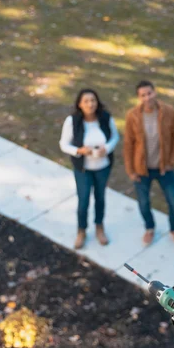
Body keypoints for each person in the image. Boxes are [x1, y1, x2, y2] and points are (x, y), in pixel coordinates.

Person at [123, 80, 174, 247]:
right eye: (142, 95)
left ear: (154, 92)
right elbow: (128, 143)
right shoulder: (133, 115)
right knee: (143, 203)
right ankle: (149, 229)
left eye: (149, 93)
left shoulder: (168, 112)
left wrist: (172, 161)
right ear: (138, 97)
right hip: (141, 170)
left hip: (164, 168)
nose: (147, 97)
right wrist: (131, 170)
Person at [59, 89, 119, 249]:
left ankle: (99, 227)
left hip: (103, 167)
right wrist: (79, 151)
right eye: (86, 101)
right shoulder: (72, 121)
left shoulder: (105, 117)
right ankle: (82, 230)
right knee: (83, 200)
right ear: (80, 104)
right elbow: (64, 144)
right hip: (83, 169)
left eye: (93, 100)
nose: (90, 104)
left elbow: (115, 137)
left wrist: (106, 148)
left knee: (100, 199)